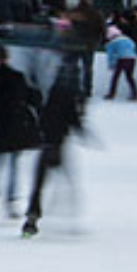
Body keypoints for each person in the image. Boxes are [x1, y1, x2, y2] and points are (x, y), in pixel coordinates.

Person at [22, 62, 87, 238]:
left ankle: (31, 218)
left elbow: (42, 114)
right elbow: (73, 119)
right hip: (58, 144)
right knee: (66, 181)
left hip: (47, 143)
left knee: (39, 183)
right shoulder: (68, 96)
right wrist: (83, 131)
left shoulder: (50, 94)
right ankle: (70, 218)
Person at [0, 46, 39, 219]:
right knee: (13, 167)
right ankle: (11, 202)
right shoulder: (17, 77)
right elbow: (32, 98)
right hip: (14, 128)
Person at [104, 26, 137, 100]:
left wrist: (111, 64)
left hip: (121, 59)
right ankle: (135, 94)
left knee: (115, 77)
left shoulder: (112, 43)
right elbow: (133, 46)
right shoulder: (128, 39)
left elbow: (111, 55)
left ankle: (111, 94)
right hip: (132, 58)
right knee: (129, 76)